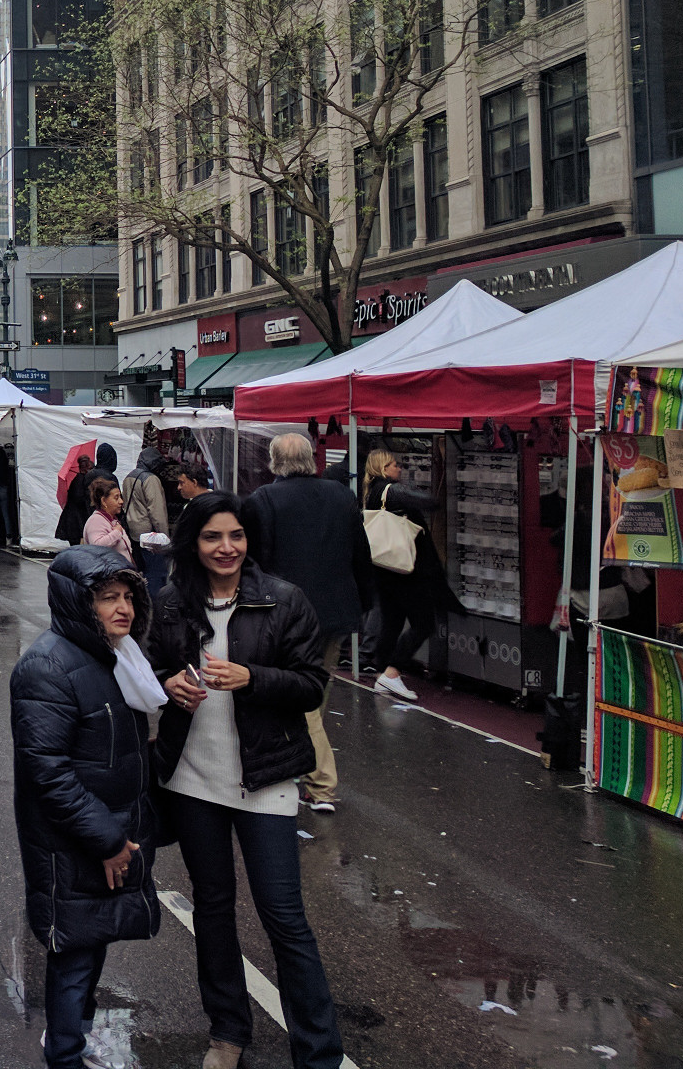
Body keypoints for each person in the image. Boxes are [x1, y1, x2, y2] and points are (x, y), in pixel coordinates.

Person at [149, 492, 343, 1069]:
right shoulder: (172, 601)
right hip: (193, 779)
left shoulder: (284, 601)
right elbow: (154, 666)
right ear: (194, 544)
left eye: (235, 536)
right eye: (212, 537)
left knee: (283, 916)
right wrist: (168, 685)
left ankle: (319, 1051)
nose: (226, 548)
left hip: (266, 778)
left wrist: (253, 677)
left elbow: (312, 684)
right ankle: (227, 1033)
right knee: (212, 908)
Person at [11, 546, 166, 1069]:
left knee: (91, 944)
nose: (122, 608)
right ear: (79, 603)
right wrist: (107, 839)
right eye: (107, 598)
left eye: (127, 597)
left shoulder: (117, 657)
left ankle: (71, 1038)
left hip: (107, 831)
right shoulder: (47, 667)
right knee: (74, 954)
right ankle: (65, 1054)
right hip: (74, 842)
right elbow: (48, 771)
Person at [238, 433, 371, 815]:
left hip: (286, 614)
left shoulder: (264, 500)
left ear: (274, 461)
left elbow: (257, 562)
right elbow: (360, 555)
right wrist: (364, 604)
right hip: (336, 612)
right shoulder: (341, 496)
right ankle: (305, 767)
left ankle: (321, 782)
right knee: (317, 690)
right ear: (311, 459)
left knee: (302, 699)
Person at [361, 449, 460, 704]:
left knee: (392, 622)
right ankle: (393, 671)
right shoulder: (390, 490)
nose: (399, 469)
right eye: (395, 465)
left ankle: (383, 672)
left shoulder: (371, 492)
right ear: (384, 469)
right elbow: (426, 501)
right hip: (405, 570)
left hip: (384, 569)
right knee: (423, 623)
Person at [121, 447, 171, 565]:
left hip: (132, 530)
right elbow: (157, 512)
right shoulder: (151, 479)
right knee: (154, 571)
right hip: (149, 535)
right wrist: (165, 537)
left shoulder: (129, 476)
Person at [81, 476, 133, 561]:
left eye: (120, 497)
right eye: (116, 498)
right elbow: (97, 546)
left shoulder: (111, 520)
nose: (121, 501)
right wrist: (117, 532)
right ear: (104, 501)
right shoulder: (96, 521)